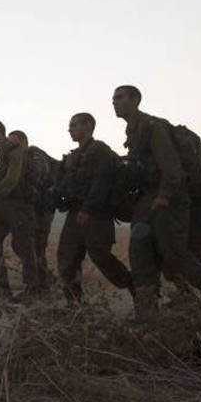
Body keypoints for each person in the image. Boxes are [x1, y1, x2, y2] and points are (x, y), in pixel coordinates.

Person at [112, 85, 201, 319]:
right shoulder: (134, 131)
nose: (114, 102)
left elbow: (171, 168)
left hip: (168, 199)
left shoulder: (153, 127)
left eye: (120, 97)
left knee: (174, 256)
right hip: (147, 200)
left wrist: (163, 197)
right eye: (113, 98)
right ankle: (146, 314)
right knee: (140, 256)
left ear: (136, 100)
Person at [54, 113, 133, 302]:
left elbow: (101, 183)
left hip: (97, 215)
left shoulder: (100, 151)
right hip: (76, 213)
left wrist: (88, 209)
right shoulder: (75, 156)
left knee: (100, 256)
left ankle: (137, 289)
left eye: (74, 125)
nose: (70, 129)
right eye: (70, 126)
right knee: (67, 256)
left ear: (87, 125)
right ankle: (74, 301)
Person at [0, 120, 41, 301]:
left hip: (19, 205)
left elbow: (12, 179)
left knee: (24, 246)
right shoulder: (2, 151)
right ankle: (2, 286)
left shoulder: (15, 150)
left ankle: (32, 289)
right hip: (3, 204)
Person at [8, 130, 57, 289]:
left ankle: (38, 285)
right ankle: (42, 278)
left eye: (14, 143)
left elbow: (37, 176)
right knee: (21, 244)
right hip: (33, 208)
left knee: (36, 246)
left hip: (43, 209)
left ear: (23, 142)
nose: (12, 147)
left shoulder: (35, 155)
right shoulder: (21, 158)